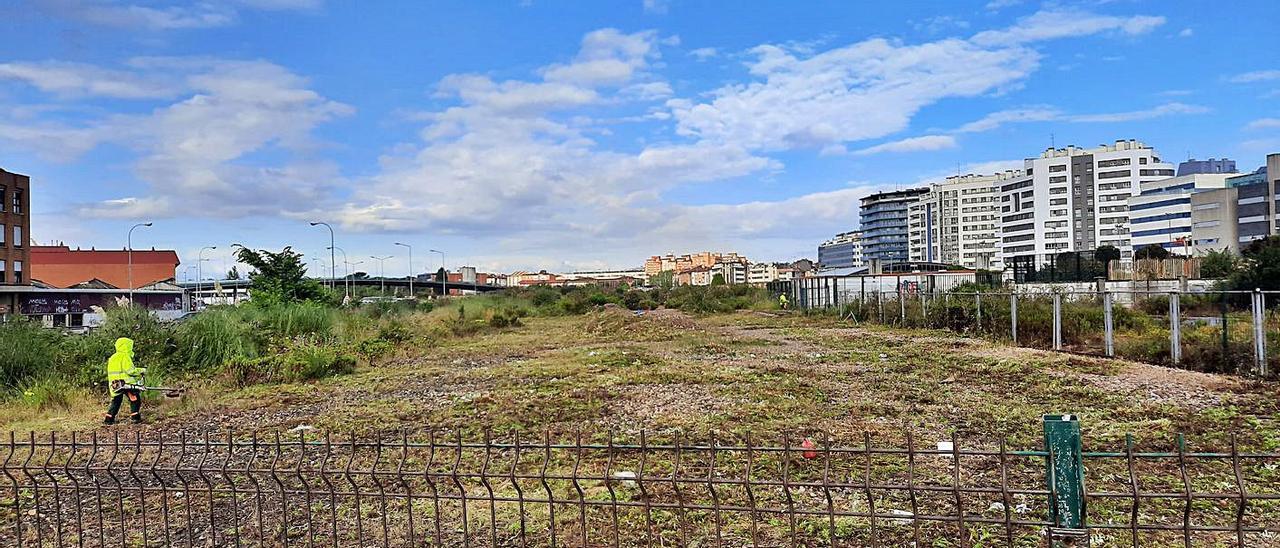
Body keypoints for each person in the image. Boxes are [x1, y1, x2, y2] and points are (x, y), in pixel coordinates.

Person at [104, 337, 146, 425]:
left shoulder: (112, 357)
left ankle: (109, 419)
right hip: (126, 383)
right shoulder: (125, 356)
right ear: (126, 346)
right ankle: (135, 417)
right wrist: (141, 370)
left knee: (116, 400)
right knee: (134, 398)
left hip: (115, 384)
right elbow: (130, 370)